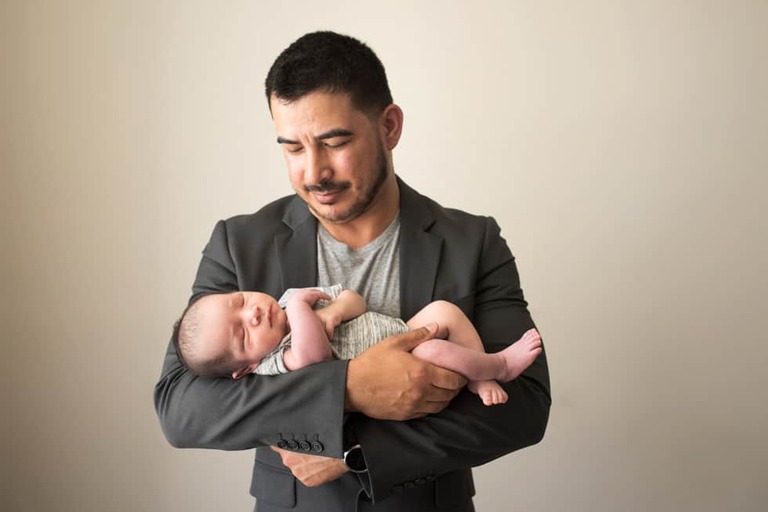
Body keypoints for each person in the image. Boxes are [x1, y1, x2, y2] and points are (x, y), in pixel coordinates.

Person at [154, 30, 551, 511]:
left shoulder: (474, 241)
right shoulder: (238, 243)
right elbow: (182, 406)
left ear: (389, 127)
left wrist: (357, 454)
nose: (313, 173)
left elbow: (525, 406)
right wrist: (349, 389)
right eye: (293, 149)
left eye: (334, 142)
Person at [173, 284, 543, 406]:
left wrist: (334, 312)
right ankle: (498, 366)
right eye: (242, 335)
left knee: (444, 311)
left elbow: (354, 299)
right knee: (432, 353)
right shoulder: (274, 359)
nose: (251, 315)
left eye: (240, 302)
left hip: (401, 328)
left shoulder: (288, 297)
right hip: (409, 358)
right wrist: (302, 308)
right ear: (245, 368)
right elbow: (314, 357)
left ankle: (478, 371)